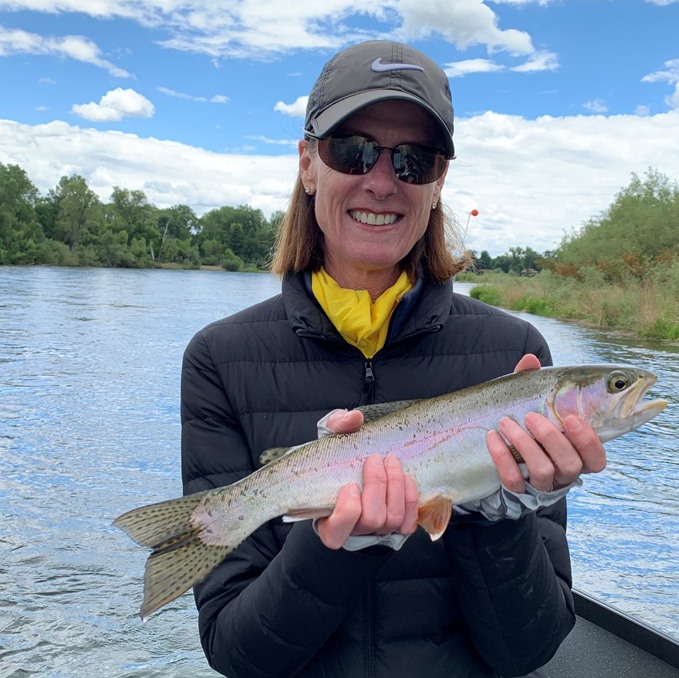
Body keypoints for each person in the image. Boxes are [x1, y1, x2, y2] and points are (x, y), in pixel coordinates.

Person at [180, 39, 607, 678]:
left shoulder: (518, 361)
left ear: (437, 185)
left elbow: (528, 651)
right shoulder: (220, 357)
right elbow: (239, 656)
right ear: (307, 165)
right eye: (351, 150)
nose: (382, 181)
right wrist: (335, 547)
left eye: (414, 159)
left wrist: (501, 523)